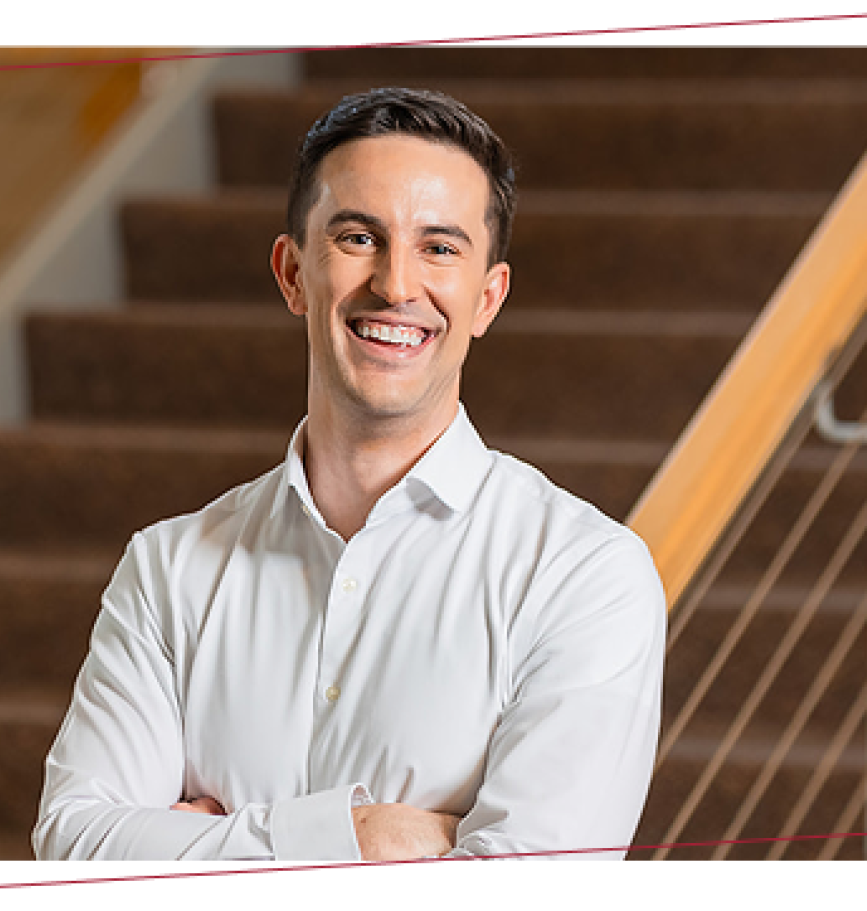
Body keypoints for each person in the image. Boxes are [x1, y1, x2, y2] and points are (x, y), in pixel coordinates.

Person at [32, 86, 667, 863]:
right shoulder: (169, 570)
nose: (398, 285)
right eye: (360, 237)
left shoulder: (583, 575)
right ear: (293, 273)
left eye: (439, 247)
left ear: (487, 298)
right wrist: (361, 837)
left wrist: (198, 837)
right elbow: (73, 842)